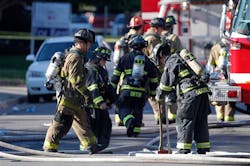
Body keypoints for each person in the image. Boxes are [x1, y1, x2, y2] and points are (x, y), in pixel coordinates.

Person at [43, 28, 102, 154]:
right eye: (89, 44)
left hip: (75, 97)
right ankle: (49, 147)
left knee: (82, 122)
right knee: (61, 123)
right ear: (82, 43)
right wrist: (88, 94)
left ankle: (91, 145)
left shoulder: (77, 55)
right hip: (68, 97)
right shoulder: (75, 57)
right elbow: (76, 80)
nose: (89, 47)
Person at [156, 48, 211, 154]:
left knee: (184, 120)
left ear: (162, 55)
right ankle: (203, 147)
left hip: (190, 94)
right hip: (203, 93)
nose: (161, 63)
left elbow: (165, 85)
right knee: (200, 121)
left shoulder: (171, 61)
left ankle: (184, 148)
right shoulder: (183, 60)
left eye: (160, 60)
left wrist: (159, 96)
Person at [111, 34, 158, 137]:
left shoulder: (124, 58)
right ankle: (135, 131)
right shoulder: (148, 61)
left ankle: (129, 122)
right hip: (141, 92)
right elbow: (154, 80)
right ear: (143, 46)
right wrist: (153, 93)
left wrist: (112, 90)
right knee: (138, 111)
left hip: (126, 91)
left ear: (131, 46)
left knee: (122, 109)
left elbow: (115, 77)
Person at [113, 15, 145, 126]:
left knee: (122, 94)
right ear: (140, 27)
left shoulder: (121, 40)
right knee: (137, 96)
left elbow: (116, 59)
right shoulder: (140, 40)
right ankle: (135, 120)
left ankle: (120, 117)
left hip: (122, 72)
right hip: (137, 72)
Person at [84, 47, 115, 151]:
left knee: (106, 125)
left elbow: (106, 87)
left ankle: (99, 148)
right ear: (97, 58)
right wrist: (101, 102)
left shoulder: (101, 70)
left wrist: (111, 100)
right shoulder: (91, 70)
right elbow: (93, 88)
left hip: (100, 106)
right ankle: (91, 148)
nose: (105, 62)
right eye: (104, 60)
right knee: (95, 128)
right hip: (92, 106)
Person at [143, 17, 167, 125]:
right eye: (162, 29)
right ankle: (160, 116)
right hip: (153, 71)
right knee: (155, 94)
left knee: (155, 94)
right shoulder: (152, 39)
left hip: (151, 71)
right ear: (157, 28)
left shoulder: (150, 37)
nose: (163, 31)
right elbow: (155, 58)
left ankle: (161, 116)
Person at [161, 15, 184, 124]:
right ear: (171, 27)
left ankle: (161, 116)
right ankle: (173, 116)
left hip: (159, 69)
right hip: (172, 67)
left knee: (161, 91)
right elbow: (181, 52)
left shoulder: (157, 36)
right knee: (173, 91)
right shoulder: (174, 38)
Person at [206, 38, 235, 122]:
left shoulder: (215, 48)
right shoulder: (233, 46)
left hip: (219, 76)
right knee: (230, 96)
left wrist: (210, 76)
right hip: (231, 75)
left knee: (219, 95)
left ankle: (220, 116)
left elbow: (210, 64)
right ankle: (229, 117)